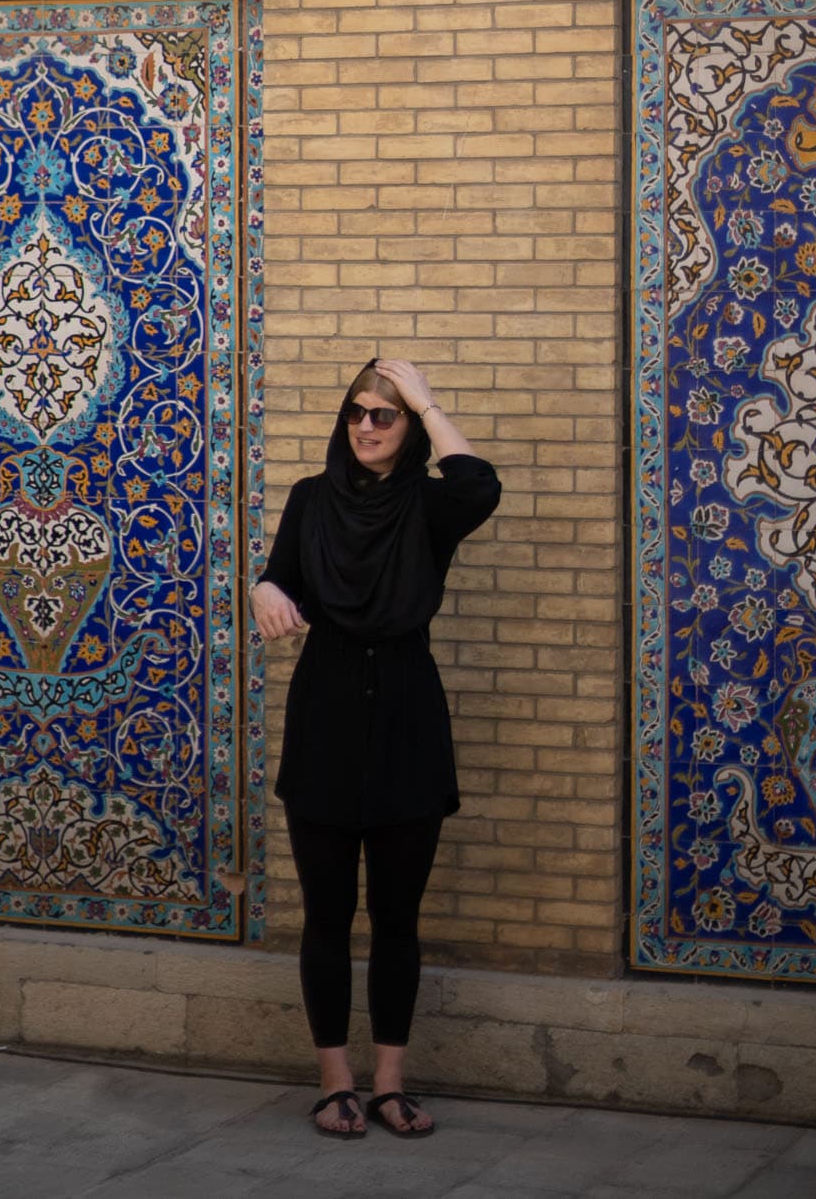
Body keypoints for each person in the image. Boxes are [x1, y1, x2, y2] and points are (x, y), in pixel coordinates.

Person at [251, 356, 499, 1140]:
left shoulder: (428, 508)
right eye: (356, 412)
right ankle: (335, 1083)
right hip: (323, 717)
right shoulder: (310, 499)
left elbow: (478, 485)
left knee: (397, 919)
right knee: (325, 917)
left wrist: (425, 402)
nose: (365, 426)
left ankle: (389, 1083)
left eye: (383, 415)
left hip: (404, 721)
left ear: (406, 429)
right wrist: (259, 586)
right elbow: (279, 575)